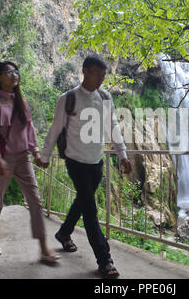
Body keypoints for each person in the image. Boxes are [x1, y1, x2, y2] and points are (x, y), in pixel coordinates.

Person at [38, 55, 132, 278]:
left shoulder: (105, 97)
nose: (101, 78)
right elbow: (55, 129)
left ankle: (63, 233)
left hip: (96, 162)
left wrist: (122, 155)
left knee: (83, 200)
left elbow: (113, 125)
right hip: (75, 161)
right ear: (85, 71)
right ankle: (104, 259)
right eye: (97, 73)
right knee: (90, 211)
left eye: (103, 75)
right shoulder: (68, 98)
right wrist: (45, 155)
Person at [0, 61, 60, 262]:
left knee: (35, 201)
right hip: (1, 159)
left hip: (23, 158)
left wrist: (36, 153)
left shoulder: (21, 101)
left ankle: (44, 248)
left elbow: (29, 130)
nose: (14, 75)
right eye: (9, 72)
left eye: (16, 71)